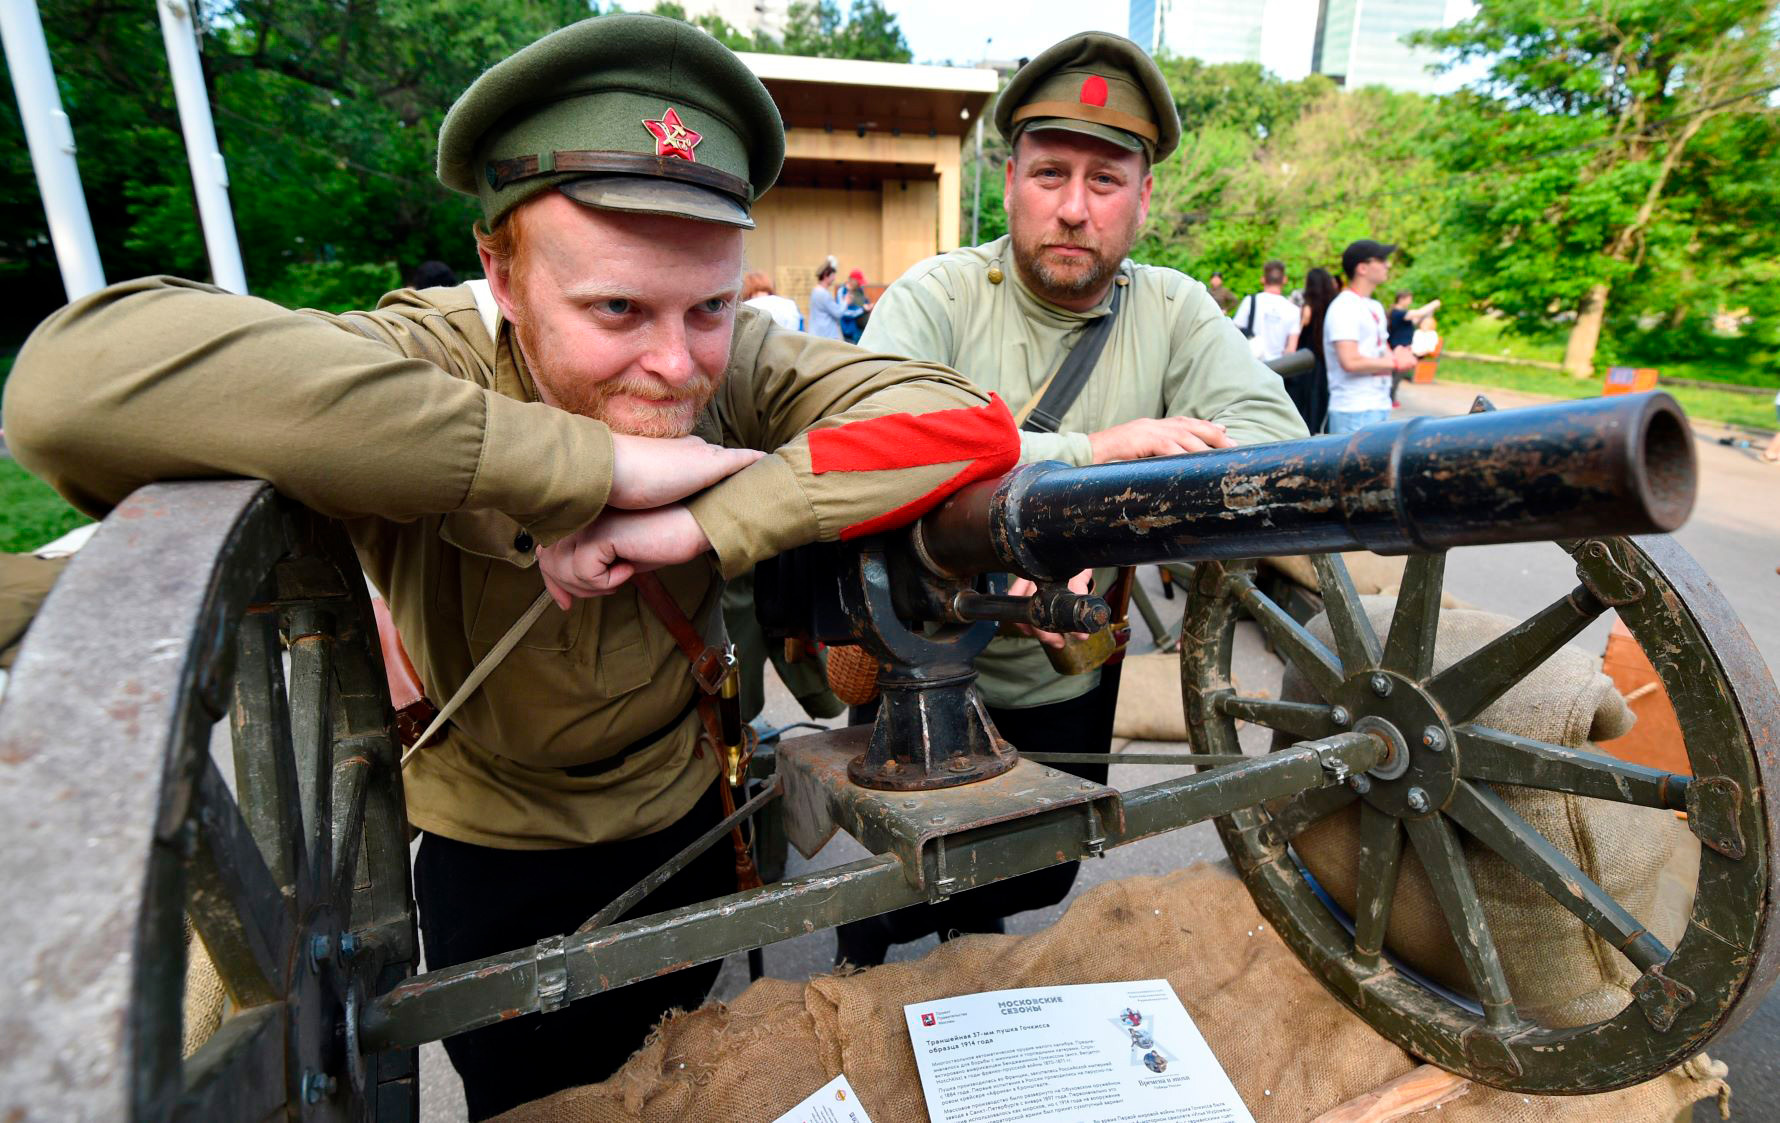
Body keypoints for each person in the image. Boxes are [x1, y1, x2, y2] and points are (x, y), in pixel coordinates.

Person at [2, 15, 1020, 1119]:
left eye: (710, 306)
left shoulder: (751, 363)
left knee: (688, 1078)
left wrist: (696, 524)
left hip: (691, 816)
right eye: (616, 309)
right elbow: (71, 387)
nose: (676, 363)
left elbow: (964, 423)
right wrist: (584, 465)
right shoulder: (426, 359)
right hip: (497, 856)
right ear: (501, 266)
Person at [843, 30, 1306, 968]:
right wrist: (1092, 452)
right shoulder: (938, 295)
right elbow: (871, 445)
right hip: (923, 651)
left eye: (1105, 181)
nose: (1072, 208)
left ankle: (966, 955)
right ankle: (870, 952)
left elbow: (1278, 444)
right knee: (897, 881)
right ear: (1010, 179)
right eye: (1051, 173)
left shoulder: (1174, 307)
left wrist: (1117, 516)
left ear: (1144, 198)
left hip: (1068, 660)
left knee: (1037, 871)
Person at [1324, 239, 1415, 434]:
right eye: (1381, 259)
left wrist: (1398, 353)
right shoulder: (1344, 307)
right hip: (1353, 409)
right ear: (1362, 268)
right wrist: (1396, 363)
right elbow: (1350, 361)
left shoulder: (1373, 306)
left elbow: (1381, 348)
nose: (1387, 265)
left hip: (1378, 404)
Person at [1294, 266, 1338, 433]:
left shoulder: (1308, 307)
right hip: (1325, 356)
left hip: (1307, 357)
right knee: (1321, 395)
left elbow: (1300, 329)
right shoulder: (1333, 305)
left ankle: (1307, 429)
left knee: (1307, 397)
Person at [1232, 260, 1301, 362]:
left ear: (1263, 279)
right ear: (1285, 280)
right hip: (1279, 370)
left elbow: (1234, 333)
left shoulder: (1250, 301)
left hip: (1252, 367)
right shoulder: (1294, 310)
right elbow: (1291, 350)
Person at [1385, 289, 1440, 405]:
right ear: (1402, 299)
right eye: (1409, 299)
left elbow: (1417, 318)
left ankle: (1390, 398)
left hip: (1402, 348)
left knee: (1397, 375)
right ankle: (1390, 398)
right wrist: (1433, 304)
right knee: (1396, 376)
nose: (1410, 302)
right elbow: (1419, 313)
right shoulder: (1398, 313)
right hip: (1399, 349)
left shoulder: (1401, 314)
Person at [807, 257, 844, 338]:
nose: (834, 278)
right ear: (825, 275)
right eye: (832, 275)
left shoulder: (816, 291)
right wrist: (846, 302)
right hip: (824, 336)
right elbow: (838, 313)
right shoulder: (823, 294)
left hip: (819, 334)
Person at [840, 268, 872, 344]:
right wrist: (863, 309)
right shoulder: (844, 291)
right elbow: (844, 312)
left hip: (861, 329)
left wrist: (868, 305)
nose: (860, 284)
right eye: (859, 282)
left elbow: (864, 301)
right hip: (850, 332)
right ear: (852, 280)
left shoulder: (860, 290)